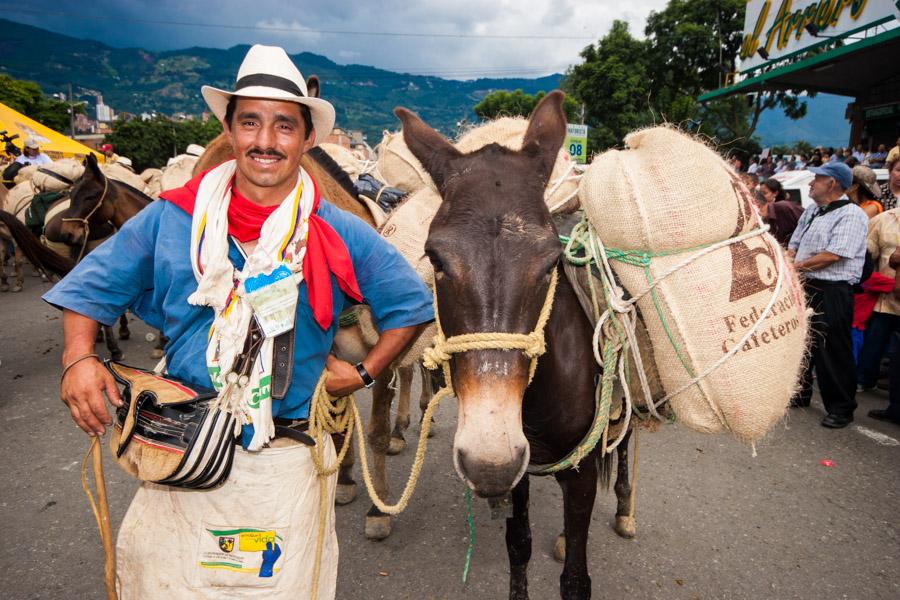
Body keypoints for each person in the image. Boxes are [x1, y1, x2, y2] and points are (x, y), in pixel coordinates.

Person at [43, 44, 434, 598]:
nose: (266, 141)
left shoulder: (336, 229)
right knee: (168, 586)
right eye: (250, 122)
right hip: (178, 447)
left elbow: (411, 306)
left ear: (306, 139)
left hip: (283, 459)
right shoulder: (171, 216)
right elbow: (91, 289)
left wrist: (364, 374)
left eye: (283, 125)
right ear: (228, 129)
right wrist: (77, 357)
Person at [787, 161, 868, 428]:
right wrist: (788, 260)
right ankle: (800, 393)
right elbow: (795, 244)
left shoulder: (852, 215)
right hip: (807, 284)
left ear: (832, 183)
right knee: (803, 344)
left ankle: (841, 407)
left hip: (833, 289)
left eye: (816, 179)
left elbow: (832, 255)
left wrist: (794, 266)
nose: (811, 183)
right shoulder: (812, 210)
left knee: (832, 348)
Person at [857, 208, 899, 396]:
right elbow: (866, 256)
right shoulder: (884, 220)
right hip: (884, 299)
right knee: (875, 341)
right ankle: (864, 379)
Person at [759, 179, 803, 246]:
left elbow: (806, 222)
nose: (761, 196)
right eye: (760, 193)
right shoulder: (760, 210)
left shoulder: (785, 207)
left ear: (775, 193)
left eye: (765, 193)